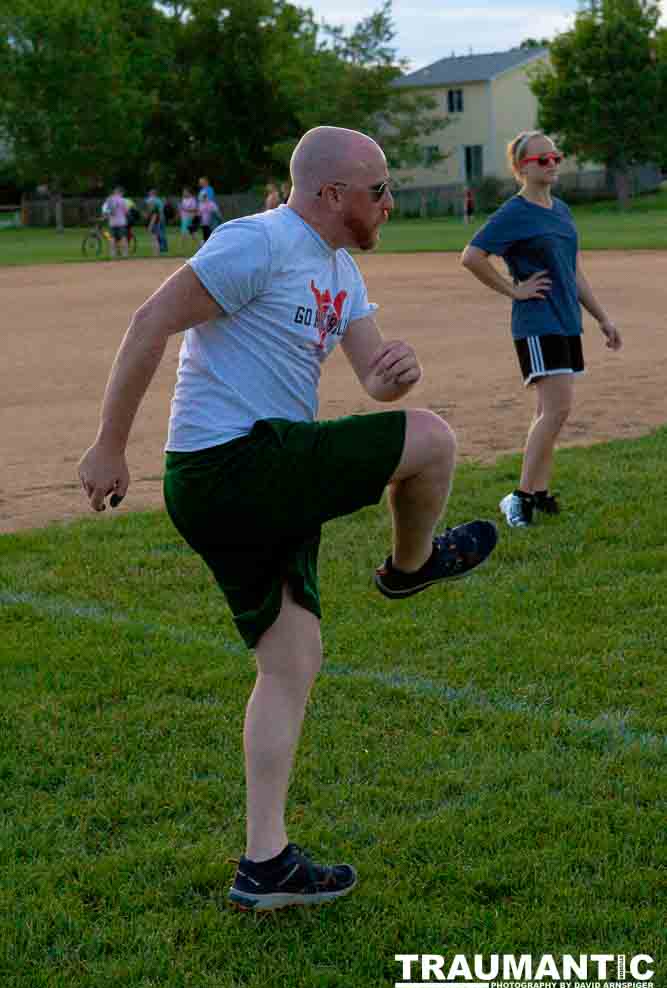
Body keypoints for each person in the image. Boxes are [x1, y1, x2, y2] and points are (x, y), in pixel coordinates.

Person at [78, 125, 497, 913]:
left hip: (250, 473)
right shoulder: (258, 244)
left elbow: (373, 379)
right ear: (333, 195)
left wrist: (388, 373)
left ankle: (263, 866)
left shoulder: (338, 269)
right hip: (233, 460)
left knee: (291, 660)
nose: (388, 202)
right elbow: (148, 322)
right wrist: (108, 447)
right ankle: (410, 570)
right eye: (378, 190)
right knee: (433, 441)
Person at [461, 130, 622, 528]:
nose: (552, 164)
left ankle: (539, 492)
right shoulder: (515, 213)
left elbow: (574, 271)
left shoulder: (561, 210)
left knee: (549, 412)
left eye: (556, 157)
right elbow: (472, 256)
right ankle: (518, 498)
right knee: (557, 408)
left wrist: (602, 318)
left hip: (567, 320)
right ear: (520, 167)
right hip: (537, 322)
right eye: (541, 160)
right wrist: (513, 290)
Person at [101, 186, 129, 258]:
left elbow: (106, 210)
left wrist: (106, 216)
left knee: (112, 238)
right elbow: (126, 211)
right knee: (123, 238)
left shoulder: (109, 200)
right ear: (120, 192)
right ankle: (125, 254)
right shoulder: (123, 200)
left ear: (114, 192)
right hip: (121, 222)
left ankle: (113, 254)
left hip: (112, 222)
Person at [145, 188, 168, 255]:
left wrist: (150, 226)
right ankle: (157, 252)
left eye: (150, 203)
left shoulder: (155, 207)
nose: (148, 204)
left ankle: (157, 252)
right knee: (156, 237)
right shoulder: (157, 202)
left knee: (155, 238)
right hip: (157, 222)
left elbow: (154, 217)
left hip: (156, 223)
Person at [178, 187, 198, 252]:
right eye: (183, 192)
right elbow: (182, 209)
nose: (184, 193)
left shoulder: (192, 200)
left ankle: (182, 248)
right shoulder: (184, 199)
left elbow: (194, 209)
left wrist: (185, 209)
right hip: (184, 218)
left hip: (189, 218)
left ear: (189, 192)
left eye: (185, 192)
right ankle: (183, 248)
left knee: (187, 233)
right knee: (188, 233)